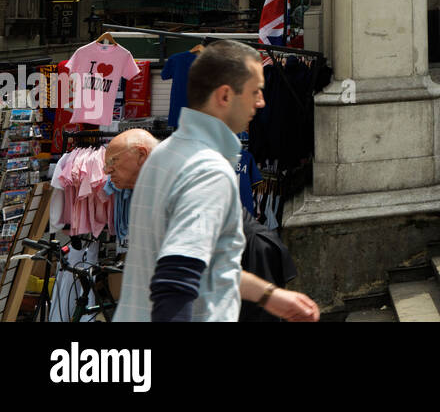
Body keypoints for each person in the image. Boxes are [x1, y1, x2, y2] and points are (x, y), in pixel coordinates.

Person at [114, 40, 320, 322]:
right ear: (224, 96)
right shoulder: (207, 169)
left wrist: (269, 295)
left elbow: (207, 266)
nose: (261, 102)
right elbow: (176, 281)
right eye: (255, 91)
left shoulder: (163, 154)